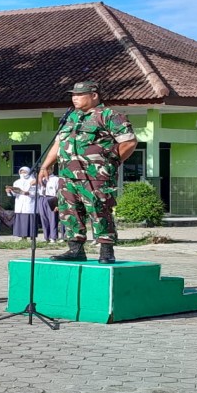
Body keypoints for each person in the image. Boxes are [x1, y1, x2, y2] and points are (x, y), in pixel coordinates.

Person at [38, 81, 137, 264]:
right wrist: (45, 166)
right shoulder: (71, 117)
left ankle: (106, 251)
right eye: (73, 95)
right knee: (69, 212)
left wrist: (111, 163)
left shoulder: (109, 115)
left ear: (94, 95)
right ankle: (75, 249)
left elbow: (129, 142)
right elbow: (59, 143)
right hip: (68, 176)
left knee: (99, 210)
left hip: (95, 176)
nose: (74, 98)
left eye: (79, 94)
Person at [7, 166, 37, 239]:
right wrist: (9, 191)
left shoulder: (33, 181)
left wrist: (29, 193)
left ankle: (32, 236)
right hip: (19, 203)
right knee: (21, 220)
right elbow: (14, 194)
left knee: (30, 220)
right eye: (21, 172)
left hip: (29, 203)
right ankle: (23, 237)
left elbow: (37, 192)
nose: (23, 174)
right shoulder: (16, 182)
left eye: (25, 172)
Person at [39, 174, 63, 243]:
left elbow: (58, 191)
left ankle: (53, 237)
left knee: (52, 218)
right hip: (42, 197)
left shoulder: (55, 179)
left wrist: (57, 204)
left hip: (52, 197)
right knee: (44, 218)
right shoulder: (40, 178)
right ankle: (46, 237)